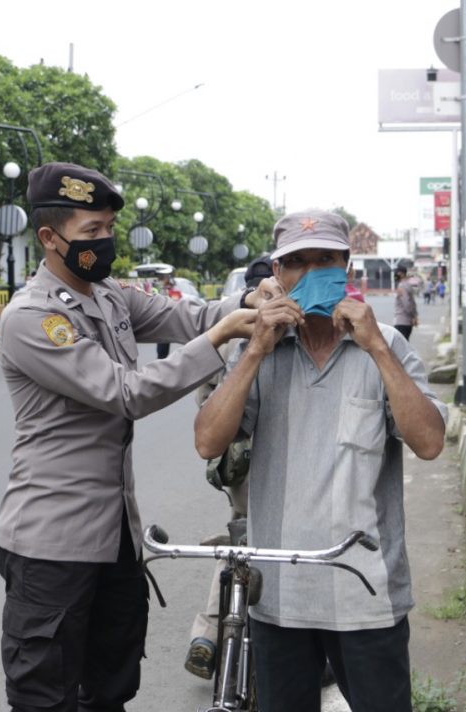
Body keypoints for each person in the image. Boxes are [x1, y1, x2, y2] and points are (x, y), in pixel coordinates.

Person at [0, 162, 261, 712]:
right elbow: (126, 393)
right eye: (91, 232)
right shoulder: (34, 319)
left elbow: (188, 315)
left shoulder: (107, 295)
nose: (105, 241)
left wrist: (251, 302)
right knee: (45, 694)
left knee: (112, 684)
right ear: (49, 238)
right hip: (52, 543)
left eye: (110, 227)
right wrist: (218, 338)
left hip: (116, 534)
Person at [195, 210, 447, 712]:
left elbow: (429, 442)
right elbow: (208, 440)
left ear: (347, 267)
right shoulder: (259, 352)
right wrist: (253, 353)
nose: (312, 273)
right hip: (279, 596)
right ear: (277, 275)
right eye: (297, 263)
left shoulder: (387, 346)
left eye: (325, 259)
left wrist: (375, 347)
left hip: (366, 596)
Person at [184, 254, 275, 679]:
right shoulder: (268, 336)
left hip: (234, 465)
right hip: (271, 464)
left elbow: (204, 403)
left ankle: (205, 634)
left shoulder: (225, 339)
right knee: (267, 541)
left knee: (239, 535)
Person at [392, 265, 418, 341]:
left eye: (397, 273)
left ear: (402, 274)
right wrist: (414, 316)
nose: (395, 274)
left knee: (400, 349)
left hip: (402, 321)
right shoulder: (407, 285)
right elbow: (412, 302)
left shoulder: (402, 286)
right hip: (406, 321)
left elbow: (407, 303)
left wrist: (413, 317)